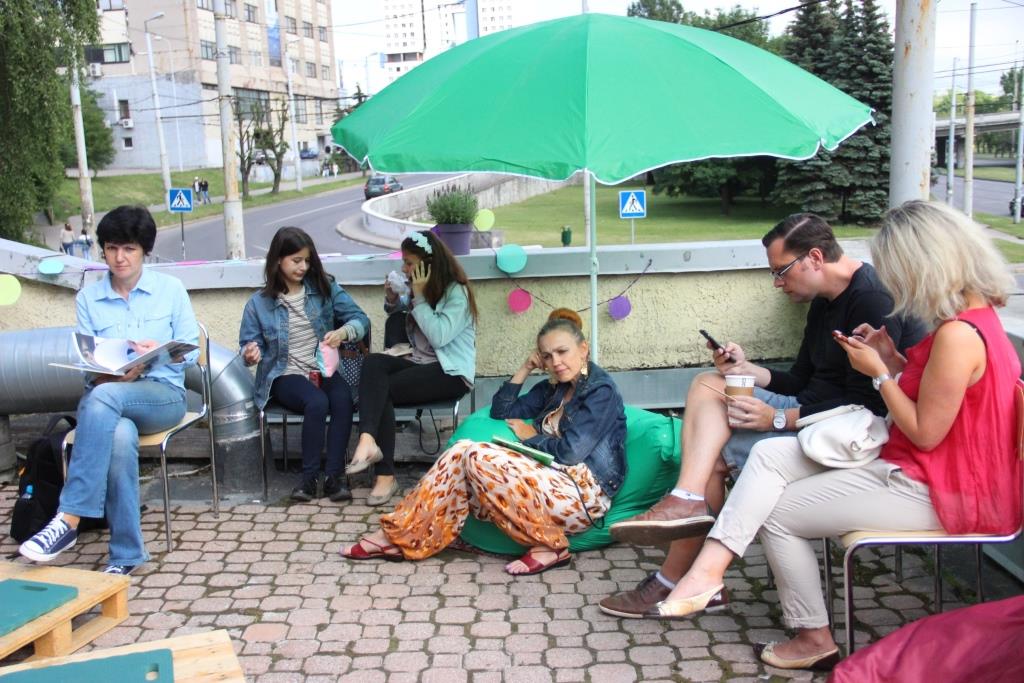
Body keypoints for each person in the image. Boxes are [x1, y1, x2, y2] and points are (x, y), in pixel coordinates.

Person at [645, 200, 1022, 671]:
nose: (895, 282)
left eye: (899, 269)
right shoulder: (970, 322)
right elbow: (937, 400)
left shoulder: (957, 335)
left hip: (941, 488)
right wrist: (892, 360)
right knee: (769, 457)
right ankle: (707, 573)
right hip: (926, 469)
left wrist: (878, 372)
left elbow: (925, 433)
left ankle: (811, 636)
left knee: (774, 512)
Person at [601, 213, 926, 618]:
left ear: (814, 258)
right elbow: (802, 379)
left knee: (711, 444)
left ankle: (677, 555)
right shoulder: (823, 302)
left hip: (849, 435)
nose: (777, 283)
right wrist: (746, 369)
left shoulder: (871, 299)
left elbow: (869, 407)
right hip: (814, 415)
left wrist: (777, 419)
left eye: (781, 271)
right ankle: (686, 522)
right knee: (710, 389)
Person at [340, 308, 628, 575]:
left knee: (476, 456)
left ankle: (551, 545)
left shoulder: (600, 391)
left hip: (580, 495)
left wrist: (532, 437)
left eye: (562, 352)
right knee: (460, 450)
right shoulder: (554, 388)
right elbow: (501, 410)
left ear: (583, 348)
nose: (555, 362)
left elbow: (571, 452)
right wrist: (526, 367)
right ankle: (397, 534)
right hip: (544, 481)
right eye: (547, 356)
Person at [19, 206, 199, 575]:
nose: (120, 257)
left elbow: (191, 352)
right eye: (112, 248)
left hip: (162, 396)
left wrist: (156, 352)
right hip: (111, 395)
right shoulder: (89, 299)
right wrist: (114, 375)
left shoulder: (170, 290)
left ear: (144, 251)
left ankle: (68, 518)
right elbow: (91, 369)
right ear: (103, 250)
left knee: (101, 401)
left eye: (129, 249)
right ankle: (126, 555)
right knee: (117, 433)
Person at [345, 230, 477, 506]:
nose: (404, 268)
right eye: (403, 262)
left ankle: (384, 475)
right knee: (373, 363)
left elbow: (439, 335)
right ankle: (368, 441)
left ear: (428, 265)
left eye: (409, 263)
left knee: (381, 390)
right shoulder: (424, 289)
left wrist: (418, 297)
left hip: (450, 373)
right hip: (419, 363)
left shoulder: (457, 292)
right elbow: (404, 312)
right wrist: (393, 300)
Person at [239, 226, 370, 502]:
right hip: (284, 373)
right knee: (317, 402)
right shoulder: (258, 303)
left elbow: (361, 319)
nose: (303, 267)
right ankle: (308, 480)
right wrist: (250, 353)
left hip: (322, 369)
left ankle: (334, 478)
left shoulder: (324, 288)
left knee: (343, 399)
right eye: (296, 260)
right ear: (278, 260)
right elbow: (249, 346)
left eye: (307, 261)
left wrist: (344, 332)